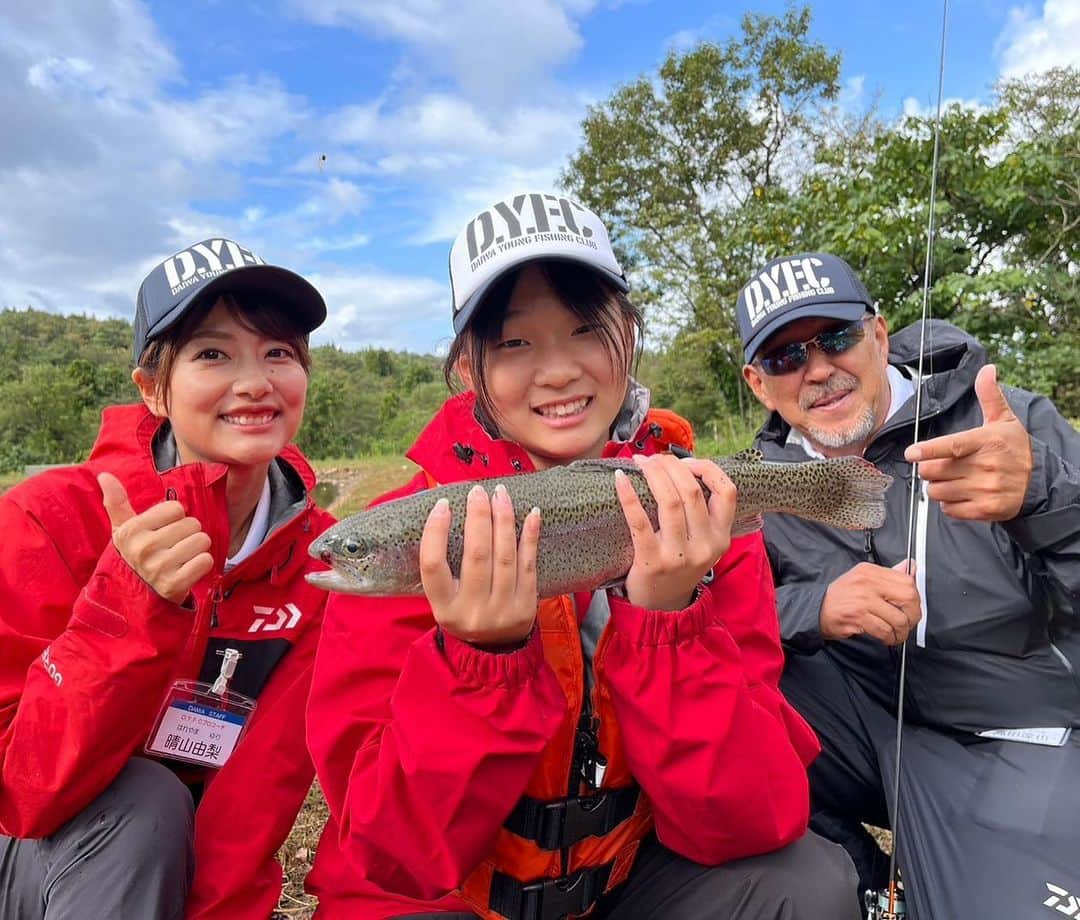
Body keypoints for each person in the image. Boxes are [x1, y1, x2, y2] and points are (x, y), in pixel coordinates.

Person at [306, 193, 859, 920]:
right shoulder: (423, 523)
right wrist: (479, 659)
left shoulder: (697, 515)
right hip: (454, 899)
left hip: (629, 878)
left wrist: (670, 621)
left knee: (806, 883)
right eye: (514, 344)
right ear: (467, 368)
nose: (558, 371)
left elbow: (751, 819)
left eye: (584, 333)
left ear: (627, 336)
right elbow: (395, 855)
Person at [0, 238, 349, 919]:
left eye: (278, 352)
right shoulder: (47, 520)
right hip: (26, 844)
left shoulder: (321, 562)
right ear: (153, 388)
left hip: (158, 860)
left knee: (158, 811)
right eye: (213, 354)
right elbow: (24, 791)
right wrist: (131, 602)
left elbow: (259, 797)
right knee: (144, 801)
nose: (255, 383)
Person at [738, 251, 1080, 919]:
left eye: (835, 339)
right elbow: (726, 619)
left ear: (879, 335)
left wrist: (1041, 497)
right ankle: (862, 878)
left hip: (1019, 733)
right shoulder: (757, 486)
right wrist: (816, 607)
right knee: (730, 688)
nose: (818, 371)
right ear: (758, 383)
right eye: (785, 359)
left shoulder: (1005, 424)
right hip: (876, 737)